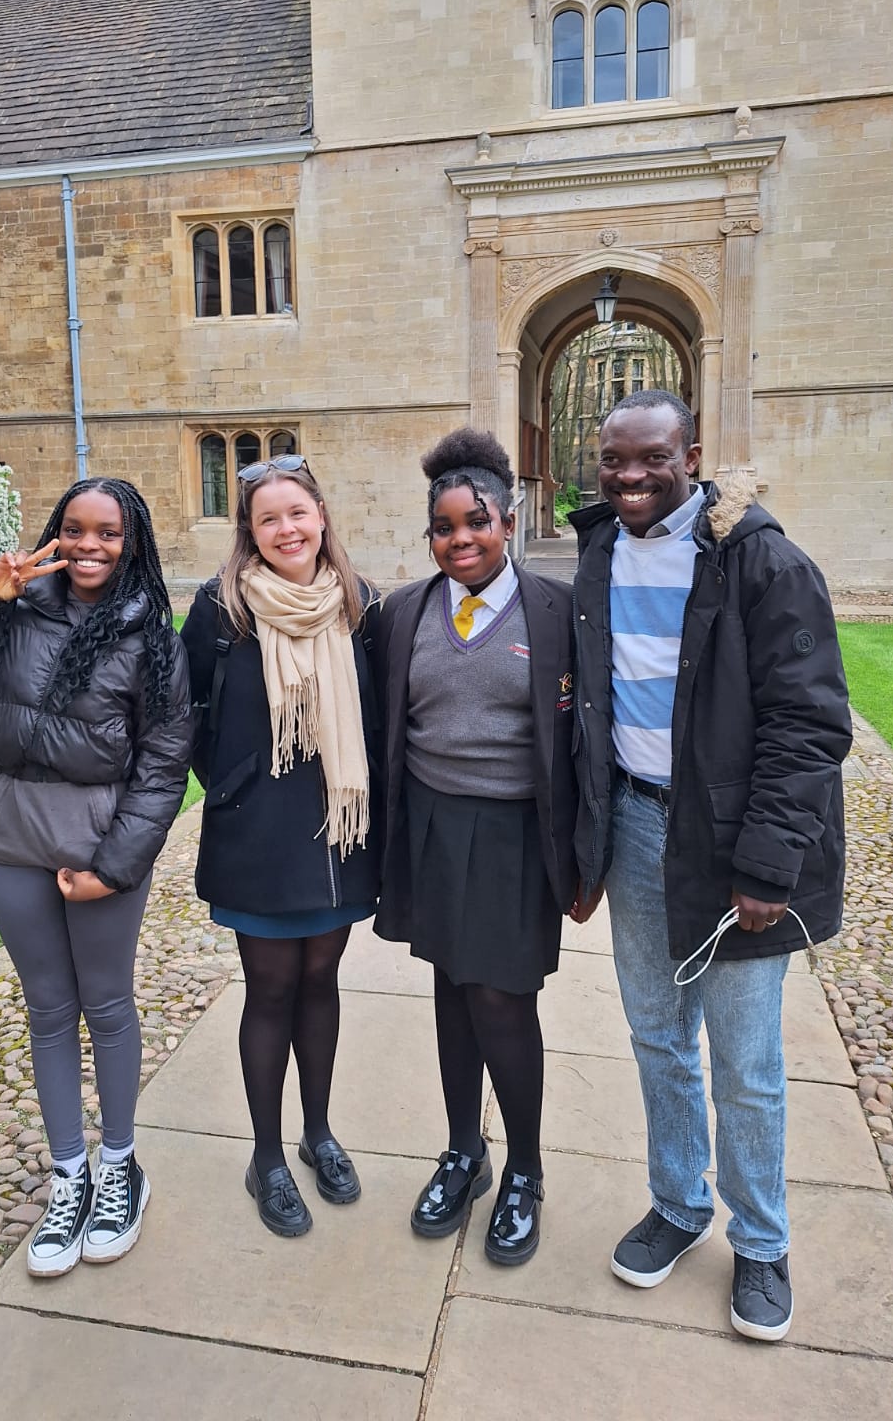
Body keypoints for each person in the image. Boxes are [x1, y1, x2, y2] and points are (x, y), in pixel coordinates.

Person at [569, 390, 851, 1341]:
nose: (631, 476)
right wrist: (585, 844)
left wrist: (770, 869)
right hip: (638, 832)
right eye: (615, 459)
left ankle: (762, 1244)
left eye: (651, 458)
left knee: (746, 1061)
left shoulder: (760, 559)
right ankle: (680, 1205)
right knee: (657, 1036)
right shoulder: (600, 547)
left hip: (732, 847)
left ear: (691, 453)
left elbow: (809, 724)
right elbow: (594, 712)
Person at [0, 477, 192, 1278]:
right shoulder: (15, 612)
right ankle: (70, 1175)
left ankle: (121, 1166)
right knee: (48, 1009)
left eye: (109, 534)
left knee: (107, 1003)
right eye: (76, 530)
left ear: (132, 543)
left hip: (98, 843)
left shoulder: (152, 636)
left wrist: (115, 866)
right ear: (54, 533)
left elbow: (164, 767)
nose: (91, 546)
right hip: (13, 836)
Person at [375, 428, 578, 1266]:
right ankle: (464, 1152)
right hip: (430, 823)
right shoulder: (401, 615)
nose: (460, 540)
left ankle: (525, 1169)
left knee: (502, 1000)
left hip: (513, 835)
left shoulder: (558, 613)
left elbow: (587, 744)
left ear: (508, 519)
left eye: (476, 523)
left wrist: (584, 859)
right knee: (452, 992)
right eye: (444, 527)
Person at [181, 454, 379, 1238]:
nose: (286, 529)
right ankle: (266, 1156)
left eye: (297, 512)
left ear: (321, 516)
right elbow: (183, 714)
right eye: (269, 519)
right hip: (258, 833)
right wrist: (229, 785)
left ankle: (318, 1132)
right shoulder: (220, 610)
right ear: (250, 533)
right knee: (269, 990)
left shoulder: (361, 605)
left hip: (340, 831)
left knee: (321, 983)